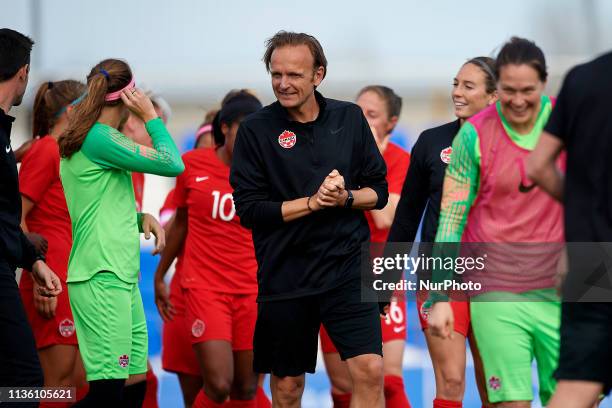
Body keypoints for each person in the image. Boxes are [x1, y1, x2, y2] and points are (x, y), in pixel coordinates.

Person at [230, 31, 389, 408]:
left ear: (318, 74)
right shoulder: (256, 129)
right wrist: (314, 202)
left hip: (347, 269)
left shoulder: (349, 117)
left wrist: (344, 197)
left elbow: (377, 191)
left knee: (369, 370)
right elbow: (250, 210)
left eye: (294, 75)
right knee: (287, 388)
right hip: (286, 274)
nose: (283, 84)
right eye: (276, 74)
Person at [427, 37, 563, 407]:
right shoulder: (472, 135)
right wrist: (439, 294)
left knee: (572, 397)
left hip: (563, 289)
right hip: (497, 289)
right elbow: (451, 218)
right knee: (509, 401)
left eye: (527, 91)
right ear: (496, 88)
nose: (517, 101)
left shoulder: (568, 122)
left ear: (544, 85)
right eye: (508, 91)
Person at [58, 58, 184, 406]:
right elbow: (173, 163)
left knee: (134, 389)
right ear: (130, 96)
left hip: (119, 276)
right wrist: (150, 115)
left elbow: (99, 203)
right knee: (107, 394)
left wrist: (140, 216)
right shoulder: (99, 138)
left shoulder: (101, 138)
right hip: (100, 275)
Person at [388, 57, 498, 408]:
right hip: (439, 279)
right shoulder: (431, 142)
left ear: (493, 96)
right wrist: (387, 277)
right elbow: (407, 217)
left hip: (495, 281)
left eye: (468, 86)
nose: (457, 93)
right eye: (455, 84)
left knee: (494, 386)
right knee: (450, 382)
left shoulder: (508, 147)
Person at [156, 91, 263, 408]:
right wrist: (160, 275)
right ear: (225, 127)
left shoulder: (267, 174)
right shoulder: (192, 164)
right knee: (218, 385)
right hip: (205, 289)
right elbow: (180, 225)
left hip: (250, 290)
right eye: (245, 130)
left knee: (246, 389)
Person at [526, 51, 612, 408]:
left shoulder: (584, 78)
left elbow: (538, 166)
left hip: (592, 257)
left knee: (578, 385)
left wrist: (582, 207)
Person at [319, 85, 411, 408]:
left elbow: (386, 216)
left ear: (391, 124)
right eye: (359, 113)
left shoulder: (400, 160)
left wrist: (360, 166)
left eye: (372, 115)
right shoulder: (335, 152)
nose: (363, 121)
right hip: (336, 272)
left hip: (381, 273)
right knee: (344, 384)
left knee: (388, 379)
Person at [0, 28, 62, 396]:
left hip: (15, 265)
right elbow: (15, 214)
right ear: (23, 71)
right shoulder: (45, 151)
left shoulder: (7, 136)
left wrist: (33, 262)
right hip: (6, 271)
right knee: (27, 382)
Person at [18, 79, 88, 403]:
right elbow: (14, 217)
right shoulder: (46, 149)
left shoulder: (66, 154)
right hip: (51, 280)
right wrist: (37, 274)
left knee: (71, 387)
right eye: (89, 107)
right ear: (72, 112)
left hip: (71, 279)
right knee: (53, 387)